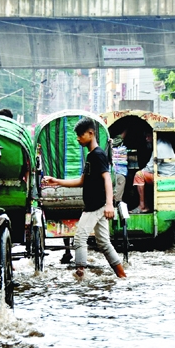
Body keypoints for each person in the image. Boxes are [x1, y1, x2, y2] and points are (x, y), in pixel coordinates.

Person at [42, 117, 126, 279]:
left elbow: (107, 178)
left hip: (96, 206)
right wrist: (56, 181)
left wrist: (109, 204)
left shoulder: (98, 155)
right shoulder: (90, 157)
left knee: (80, 238)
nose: (78, 139)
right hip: (96, 205)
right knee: (104, 243)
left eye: (81, 135)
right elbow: (81, 181)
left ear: (91, 133)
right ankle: (122, 276)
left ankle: (80, 275)